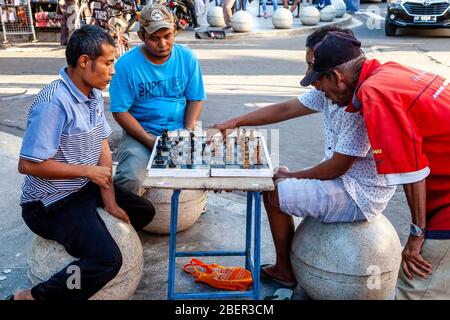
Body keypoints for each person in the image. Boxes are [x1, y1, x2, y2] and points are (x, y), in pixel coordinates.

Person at [211, 26, 397, 287]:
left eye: (314, 67)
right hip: (344, 183)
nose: (312, 77)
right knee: (280, 175)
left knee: (273, 191)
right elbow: (286, 108)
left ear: (334, 70)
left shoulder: (355, 101)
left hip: (358, 194)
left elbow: (336, 168)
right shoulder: (330, 88)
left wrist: (291, 176)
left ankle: (285, 270)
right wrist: (234, 122)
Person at [10, 25, 155, 300]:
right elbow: (28, 165)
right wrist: (89, 172)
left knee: (144, 212)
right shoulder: (53, 103)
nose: (113, 70)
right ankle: (32, 297)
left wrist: (109, 200)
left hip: (82, 187)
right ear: (85, 62)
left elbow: (102, 146)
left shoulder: (93, 93)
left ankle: (100, 245)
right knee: (107, 261)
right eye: (109, 63)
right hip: (50, 204)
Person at [301, 31, 450, 299]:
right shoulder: (390, 71)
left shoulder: (375, 93)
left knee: (415, 287)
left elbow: (411, 170)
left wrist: (416, 235)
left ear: (337, 76)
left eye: (321, 82)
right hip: (441, 194)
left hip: (446, 204)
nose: (321, 91)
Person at [109, 3, 206, 196]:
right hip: (141, 132)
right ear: (141, 36)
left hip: (180, 129)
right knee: (130, 179)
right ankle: (125, 223)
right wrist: (148, 139)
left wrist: (187, 131)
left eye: (167, 36)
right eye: (154, 38)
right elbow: (120, 111)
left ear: (175, 32)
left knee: (204, 173)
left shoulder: (187, 58)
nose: (162, 44)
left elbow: (195, 98)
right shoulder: (126, 65)